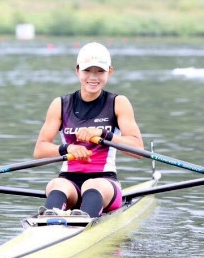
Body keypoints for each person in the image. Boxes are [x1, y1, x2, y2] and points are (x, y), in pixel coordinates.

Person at [33, 42, 144, 218]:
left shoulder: (118, 103)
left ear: (110, 71)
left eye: (100, 71)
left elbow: (138, 150)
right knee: (56, 184)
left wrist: (104, 134)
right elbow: (39, 151)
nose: (93, 77)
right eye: (87, 71)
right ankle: (47, 223)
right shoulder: (61, 104)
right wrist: (66, 148)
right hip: (69, 182)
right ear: (77, 71)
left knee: (93, 186)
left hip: (105, 183)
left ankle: (82, 224)